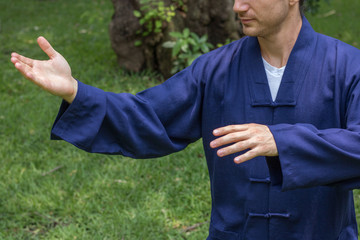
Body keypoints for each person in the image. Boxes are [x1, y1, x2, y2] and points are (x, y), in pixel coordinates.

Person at [10, 0, 360, 239]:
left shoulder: (346, 67)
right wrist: (75, 91)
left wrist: (281, 142)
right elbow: (149, 117)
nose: (238, 6)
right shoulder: (216, 70)